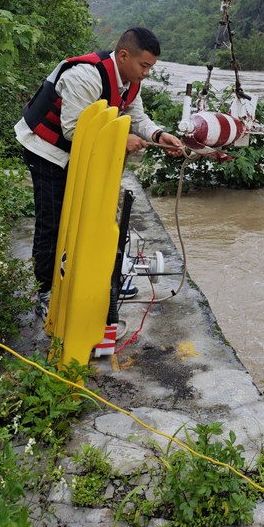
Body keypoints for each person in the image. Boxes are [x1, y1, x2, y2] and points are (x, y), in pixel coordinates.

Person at [15, 27, 184, 319]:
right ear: (123, 55)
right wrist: (121, 138)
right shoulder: (85, 76)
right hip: (46, 148)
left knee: (90, 216)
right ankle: (45, 291)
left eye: (150, 68)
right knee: (52, 220)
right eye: (144, 66)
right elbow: (73, 129)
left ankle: (84, 279)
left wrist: (158, 135)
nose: (146, 73)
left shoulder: (130, 81)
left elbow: (136, 117)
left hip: (80, 152)